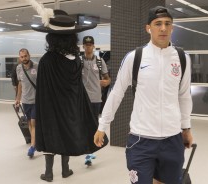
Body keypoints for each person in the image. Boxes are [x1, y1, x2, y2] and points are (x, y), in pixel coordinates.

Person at [94, 6, 193, 184]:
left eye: (167, 24)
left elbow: (184, 96)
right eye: (158, 24)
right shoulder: (135, 57)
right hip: (141, 140)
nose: (163, 28)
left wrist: (186, 128)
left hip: (172, 138)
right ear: (148, 28)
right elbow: (116, 93)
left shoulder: (182, 58)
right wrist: (103, 125)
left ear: (172, 28)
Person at [27, 1, 108, 181]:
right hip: (70, 108)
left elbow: (42, 90)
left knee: (51, 136)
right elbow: (77, 88)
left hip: (50, 109)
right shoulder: (76, 61)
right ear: (72, 38)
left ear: (51, 38)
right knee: (67, 135)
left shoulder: (47, 61)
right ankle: (65, 170)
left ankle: (48, 173)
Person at [81, 36, 111, 166]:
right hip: (82, 99)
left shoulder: (99, 61)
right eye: (86, 45)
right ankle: (84, 147)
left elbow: (107, 78)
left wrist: (106, 82)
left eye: (90, 45)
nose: (88, 47)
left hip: (95, 99)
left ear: (93, 46)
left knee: (93, 124)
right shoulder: (78, 61)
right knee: (82, 124)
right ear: (83, 46)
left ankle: (90, 150)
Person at [15, 48, 37, 158]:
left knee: (33, 122)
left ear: (29, 55)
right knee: (29, 123)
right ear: (20, 58)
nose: (24, 58)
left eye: (25, 56)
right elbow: (20, 84)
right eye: (22, 57)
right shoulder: (19, 68)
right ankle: (34, 141)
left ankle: (33, 146)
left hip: (36, 101)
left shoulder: (37, 67)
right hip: (26, 101)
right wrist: (18, 99)